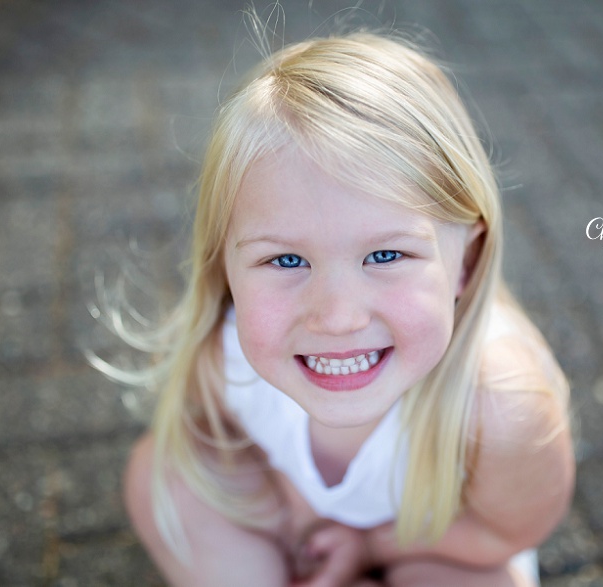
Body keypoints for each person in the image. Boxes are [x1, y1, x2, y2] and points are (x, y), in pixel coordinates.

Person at [108, 28, 574, 587]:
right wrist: (301, 518)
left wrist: (370, 544)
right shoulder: (224, 357)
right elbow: (215, 448)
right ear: (224, 266)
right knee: (160, 475)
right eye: (285, 261)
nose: (336, 316)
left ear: (467, 260)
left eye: (384, 254)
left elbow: (508, 530)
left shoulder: (500, 406)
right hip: (300, 523)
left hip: (443, 549)